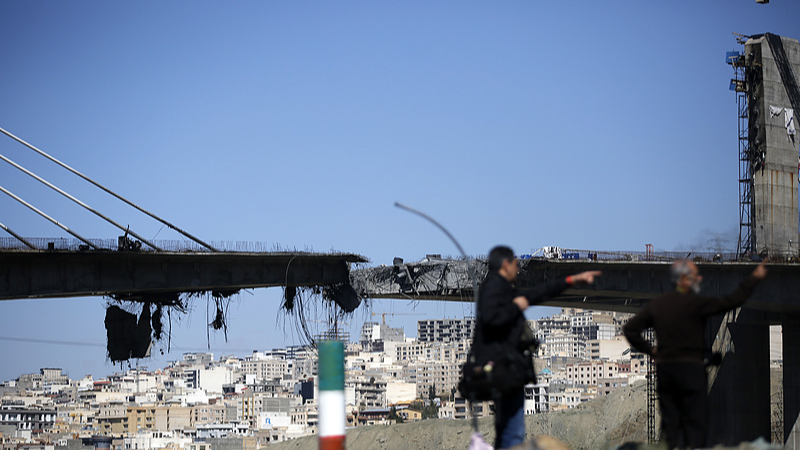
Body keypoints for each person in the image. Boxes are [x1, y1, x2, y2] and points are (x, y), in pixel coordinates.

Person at [623, 259, 768, 449]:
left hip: (666, 372)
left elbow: (630, 329)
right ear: (683, 279)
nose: (700, 278)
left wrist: (651, 350)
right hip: (692, 371)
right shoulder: (697, 303)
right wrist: (754, 278)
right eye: (695, 275)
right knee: (696, 426)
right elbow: (732, 300)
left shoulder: (658, 305)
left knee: (670, 426)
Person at [473, 245, 601, 449]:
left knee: (508, 433)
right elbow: (490, 318)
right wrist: (516, 307)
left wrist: (570, 280)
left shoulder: (502, 289)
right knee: (512, 435)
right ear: (505, 264)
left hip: (506, 372)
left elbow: (536, 294)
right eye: (515, 263)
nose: (518, 268)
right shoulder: (494, 288)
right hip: (504, 372)